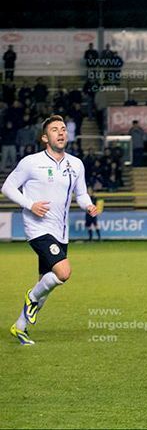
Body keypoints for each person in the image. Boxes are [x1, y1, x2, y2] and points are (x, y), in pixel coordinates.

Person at [2, 115, 97, 345]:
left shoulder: (76, 164)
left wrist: (88, 205)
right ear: (45, 137)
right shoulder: (31, 162)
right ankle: (30, 298)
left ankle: (20, 327)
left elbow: (81, 193)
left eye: (63, 128)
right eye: (55, 129)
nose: (61, 132)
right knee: (63, 273)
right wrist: (30, 204)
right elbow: (7, 187)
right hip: (37, 228)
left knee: (47, 282)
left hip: (60, 231)